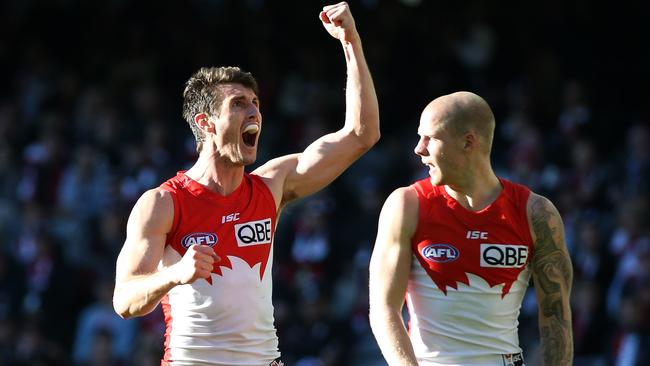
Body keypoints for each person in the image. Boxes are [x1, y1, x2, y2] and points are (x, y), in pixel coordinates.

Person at [112, 2, 379, 365]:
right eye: (238, 104)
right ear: (206, 123)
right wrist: (175, 274)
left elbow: (361, 134)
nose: (254, 111)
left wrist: (351, 42)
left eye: (255, 103)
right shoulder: (163, 203)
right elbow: (125, 301)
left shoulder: (272, 185)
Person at [368, 92, 573, 366]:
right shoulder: (406, 205)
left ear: (468, 142)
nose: (419, 148)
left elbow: (556, 319)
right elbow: (384, 310)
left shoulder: (535, 213)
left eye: (430, 138)